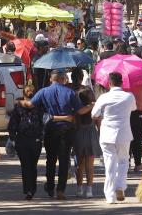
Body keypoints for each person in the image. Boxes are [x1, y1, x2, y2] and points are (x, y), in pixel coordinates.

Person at [17, 70, 93, 200]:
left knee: (51, 159)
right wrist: (91, 105)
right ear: (63, 79)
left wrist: (17, 102)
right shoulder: (70, 92)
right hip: (67, 130)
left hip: (50, 130)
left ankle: (51, 187)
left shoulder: (43, 91)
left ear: (51, 79)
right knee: (64, 160)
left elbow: (29, 105)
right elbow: (80, 111)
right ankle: (61, 190)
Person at [91, 72, 136, 204]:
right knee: (123, 161)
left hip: (107, 134)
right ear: (122, 82)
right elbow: (133, 108)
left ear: (109, 83)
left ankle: (110, 196)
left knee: (110, 164)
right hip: (124, 133)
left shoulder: (104, 97)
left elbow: (94, 114)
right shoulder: (129, 96)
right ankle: (120, 186)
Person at [8, 85, 43, 200]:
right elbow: (43, 124)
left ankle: (28, 189)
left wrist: (12, 138)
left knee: (26, 166)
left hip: (22, 140)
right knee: (32, 165)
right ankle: (31, 189)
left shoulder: (18, 107)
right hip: (35, 140)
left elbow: (12, 125)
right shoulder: (39, 106)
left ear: (23, 94)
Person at [74, 87, 101, 199]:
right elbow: (98, 123)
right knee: (90, 166)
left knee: (79, 165)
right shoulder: (94, 107)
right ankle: (89, 190)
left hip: (79, 135)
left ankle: (79, 188)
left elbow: (74, 122)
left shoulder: (76, 108)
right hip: (91, 135)